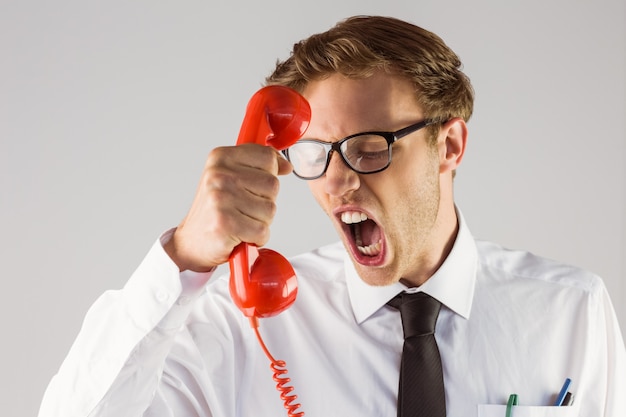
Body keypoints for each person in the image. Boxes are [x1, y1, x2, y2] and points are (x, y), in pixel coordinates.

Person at [39, 15, 625, 417]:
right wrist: (186, 257)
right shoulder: (245, 329)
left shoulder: (571, 310)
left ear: (449, 146)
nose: (340, 179)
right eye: (317, 153)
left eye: (370, 147)